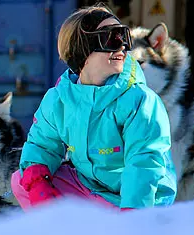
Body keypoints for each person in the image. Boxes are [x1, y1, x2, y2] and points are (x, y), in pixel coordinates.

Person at [11, 5, 177, 211]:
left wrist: (134, 215)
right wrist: (39, 185)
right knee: (22, 180)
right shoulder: (59, 99)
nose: (122, 47)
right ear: (83, 49)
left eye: (124, 37)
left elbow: (144, 163)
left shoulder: (139, 100)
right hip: (89, 187)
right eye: (111, 39)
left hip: (133, 200)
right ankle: (61, 234)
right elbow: (42, 146)